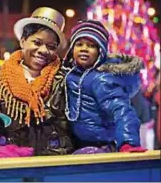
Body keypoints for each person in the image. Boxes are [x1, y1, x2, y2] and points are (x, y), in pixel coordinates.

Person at [0, 7, 74, 156]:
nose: (43, 50)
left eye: (51, 46)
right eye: (37, 42)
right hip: (11, 165)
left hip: (53, 165)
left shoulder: (65, 80)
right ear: (23, 41)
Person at [63, 19, 146, 154]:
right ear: (72, 49)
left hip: (100, 145)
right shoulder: (71, 74)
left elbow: (121, 110)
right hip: (77, 142)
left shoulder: (102, 79)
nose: (84, 48)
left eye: (91, 45)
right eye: (79, 44)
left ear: (100, 51)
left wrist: (128, 143)